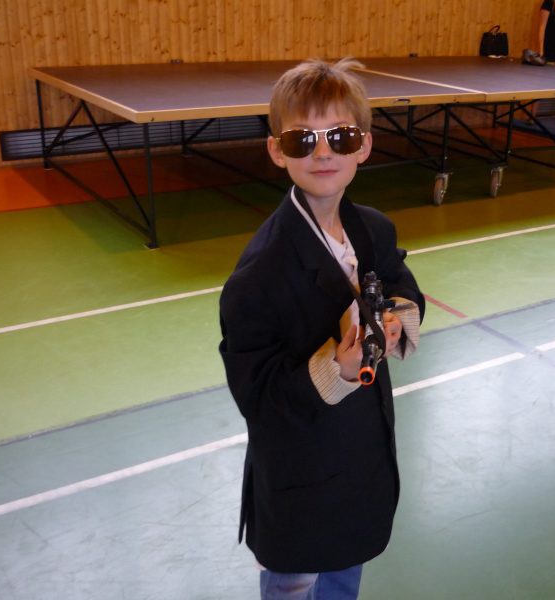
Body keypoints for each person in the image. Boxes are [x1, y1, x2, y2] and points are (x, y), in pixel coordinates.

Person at [218, 58, 424, 600]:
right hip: (301, 482)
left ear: (364, 146)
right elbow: (258, 397)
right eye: (302, 139)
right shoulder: (257, 276)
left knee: (343, 575)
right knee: (298, 585)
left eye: (341, 136)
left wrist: (395, 319)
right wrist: (336, 368)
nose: (324, 152)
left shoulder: (372, 229)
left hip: (360, 463)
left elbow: (400, 280)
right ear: (276, 150)